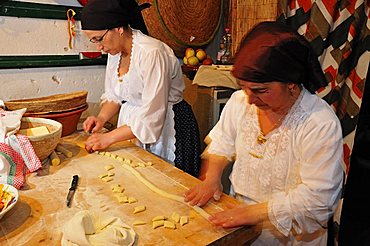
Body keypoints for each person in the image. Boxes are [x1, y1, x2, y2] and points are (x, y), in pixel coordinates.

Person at [184, 21, 344, 245]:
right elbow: (222, 141)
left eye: (261, 90)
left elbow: (317, 199)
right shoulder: (241, 102)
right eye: (243, 87)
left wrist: (253, 213)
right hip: (239, 223)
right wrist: (211, 178)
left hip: (291, 236)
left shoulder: (319, 123)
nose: (250, 98)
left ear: (290, 83)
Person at [80, 0, 201, 177]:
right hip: (132, 128)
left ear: (118, 28)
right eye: (93, 41)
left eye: (98, 39)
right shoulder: (115, 52)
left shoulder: (152, 53)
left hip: (167, 127)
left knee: (166, 185)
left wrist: (108, 137)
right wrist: (101, 118)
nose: (99, 47)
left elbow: (152, 117)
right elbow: (116, 95)